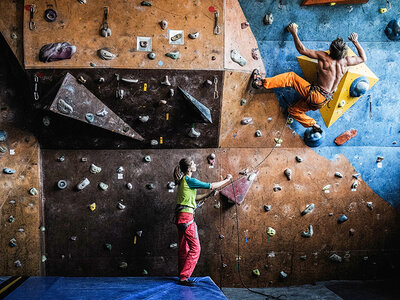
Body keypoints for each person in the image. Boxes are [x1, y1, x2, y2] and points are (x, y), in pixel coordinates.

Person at [252, 23, 367, 133]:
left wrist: (294, 33)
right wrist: (355, 42)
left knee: (291, 77)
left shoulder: (324, 57)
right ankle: (313, 124)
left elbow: (302, 50)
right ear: (343, 54)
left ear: (331, 50)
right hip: (323, 101)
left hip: (316, 95)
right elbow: (363, 58)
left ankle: (260, 83)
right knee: (293, 111)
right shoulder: (346, 62)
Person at [173, 158, 232, 286]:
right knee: (195, 248)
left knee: (184, 247)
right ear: (189, 169)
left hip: (180, 217)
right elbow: (210, 185)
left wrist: (208, 195)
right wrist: (227, 180)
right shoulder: (190, 180)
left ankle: (181, 275)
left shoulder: (184, 181)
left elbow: (194, 198)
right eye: (193, 163)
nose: (195, 165)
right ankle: (184, 277)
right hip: (187, 218)